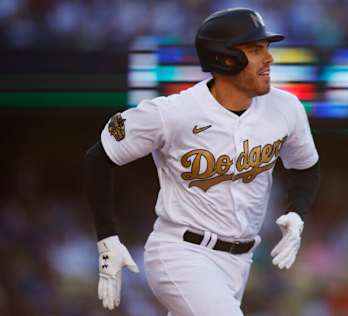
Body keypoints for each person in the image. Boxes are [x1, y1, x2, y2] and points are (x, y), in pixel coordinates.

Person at [84, 7, 320, 316]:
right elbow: (98, 158)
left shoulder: (285, 107)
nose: (269, 59)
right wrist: (107, 240)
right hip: (180, 253)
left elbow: (306, 167)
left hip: (240, 262)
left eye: (266, 48)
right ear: (224, 58)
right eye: (255, 50)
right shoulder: (174, 112)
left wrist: (296, 212)